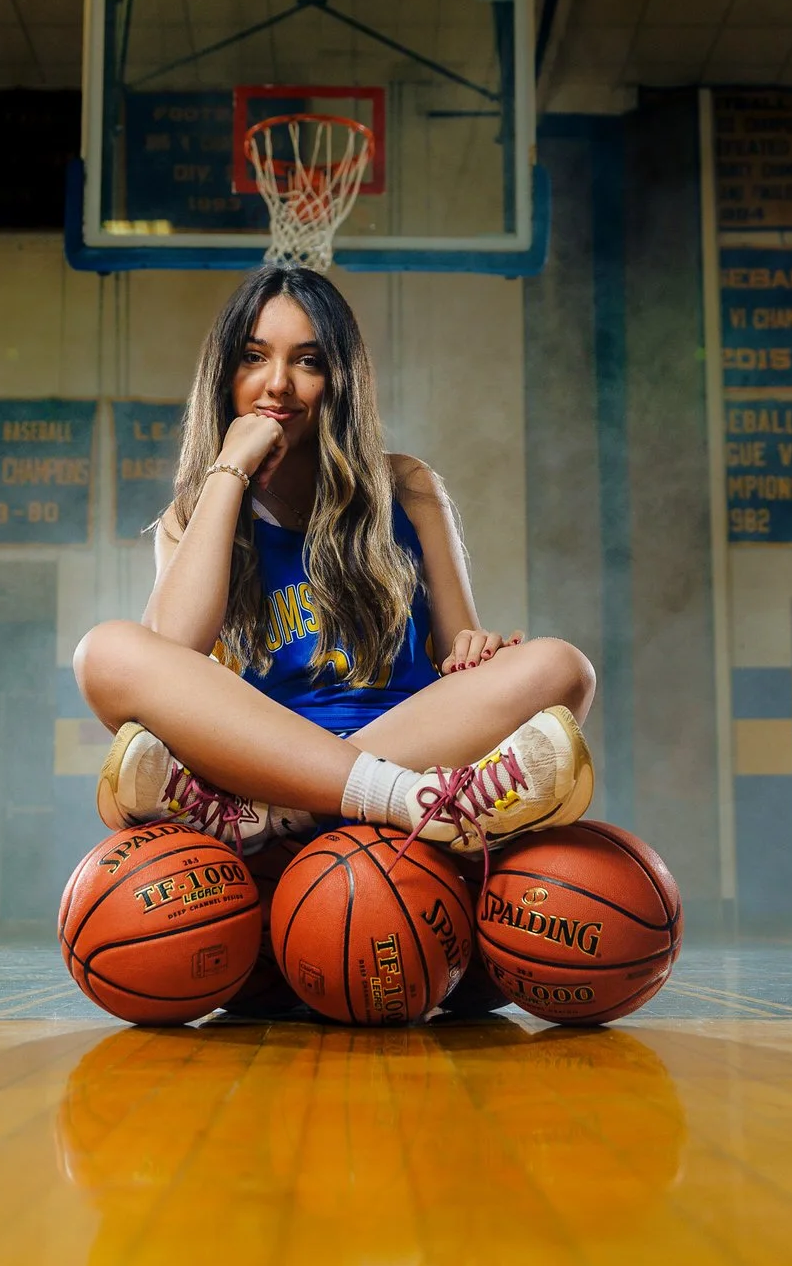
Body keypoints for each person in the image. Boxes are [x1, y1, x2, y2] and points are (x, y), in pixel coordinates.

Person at [74, 264, 596, 859]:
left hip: (391, 745)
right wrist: (230, 472)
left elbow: (460, 655)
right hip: (270, 753)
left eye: (308, 361)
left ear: (339, 379)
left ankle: (285, 815)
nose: (278, 383)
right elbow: (172, 648)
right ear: (224, 375)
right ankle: (408, 801)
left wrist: (479, 652)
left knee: (561, 667)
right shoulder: (193, 514)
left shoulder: (408, 487)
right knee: (106, 654)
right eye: (253, 357)